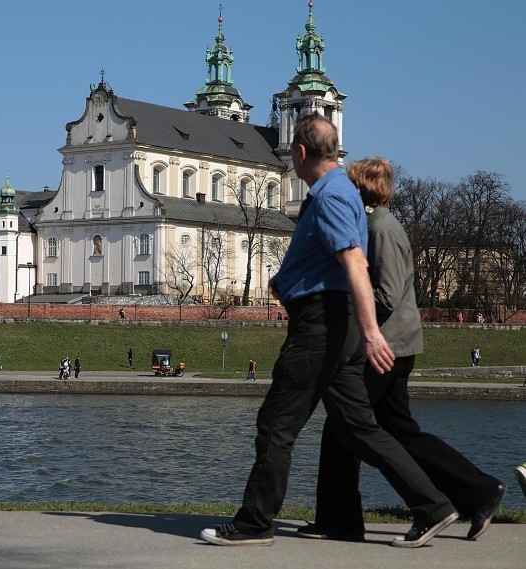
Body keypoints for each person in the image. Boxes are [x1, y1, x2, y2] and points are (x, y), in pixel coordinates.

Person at [200, 114, 456, 549]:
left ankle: (255, 523)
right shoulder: (339, 192)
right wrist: (289, 279)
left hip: (321, 327)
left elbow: (355, 263)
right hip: (331, 322)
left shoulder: (332, 194)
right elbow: (328, 260)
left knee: (276, 425)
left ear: (300, 153)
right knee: (360, 428)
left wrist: (373, 332)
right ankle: (432, 505)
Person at [301, 157, 505, 544]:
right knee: (397, 430)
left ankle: (348, 517)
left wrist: (346, 315)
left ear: (358, 188)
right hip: (393, 343)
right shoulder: (377, 224)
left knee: (344, 427)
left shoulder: (380, 229)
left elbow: (387, 294)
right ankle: (478, 491)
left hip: (385, 347)